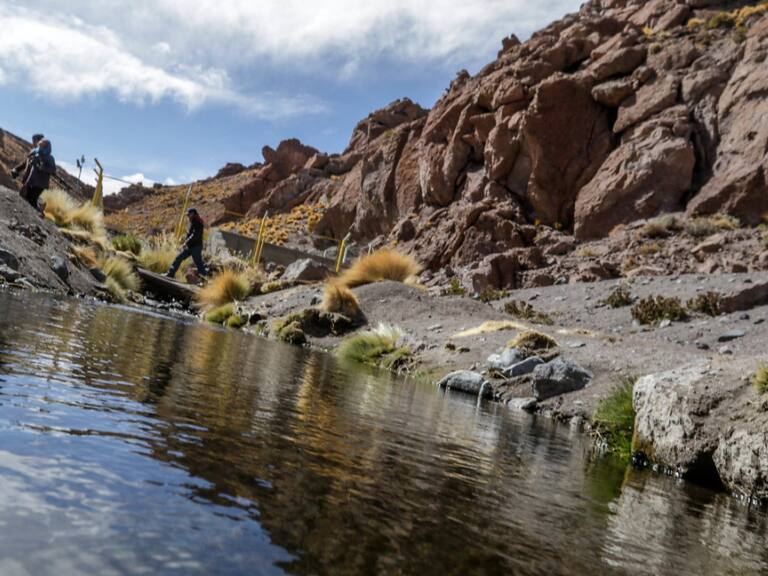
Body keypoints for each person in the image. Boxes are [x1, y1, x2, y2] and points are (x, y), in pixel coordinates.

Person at [166, 208, 208, 279]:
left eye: (189, 214)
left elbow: (195, 235)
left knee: (199, 264)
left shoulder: (198, 222)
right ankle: (170, 274)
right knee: (179, 258)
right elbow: (192, 235)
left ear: (193, 214)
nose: (188, 216)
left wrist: (186, 242)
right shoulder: (194, 222)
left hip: (196, 247)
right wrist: (187, 241)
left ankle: (205, 280)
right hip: (190, 246)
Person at [19, 138, 56, 213]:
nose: (40, 147)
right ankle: (38, 208)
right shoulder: (35, 153)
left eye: (42, 146)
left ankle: (39, 211)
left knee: (32, 199)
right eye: (40, 145)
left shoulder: (50, 158)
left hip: (41, 184)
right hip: (31, 180)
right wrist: (25, 179)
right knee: (26, 196)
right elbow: (28, 165)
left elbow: (52, 170)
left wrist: (43, 168)